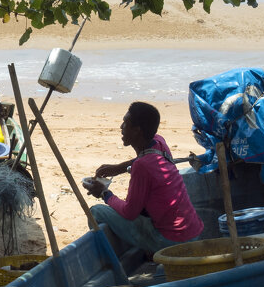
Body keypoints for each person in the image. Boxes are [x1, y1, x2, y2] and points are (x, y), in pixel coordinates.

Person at [83, 102, 203, 259]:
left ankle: (114, 266)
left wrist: (105, 193)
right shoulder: (160, 143)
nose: (121, 126)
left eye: (126, 122)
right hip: (193, 232)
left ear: (137, 131)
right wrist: (119, 168)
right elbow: (145, 156)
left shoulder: (141, 166)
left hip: (171, 241)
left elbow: (129, 212)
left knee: (96, 211)